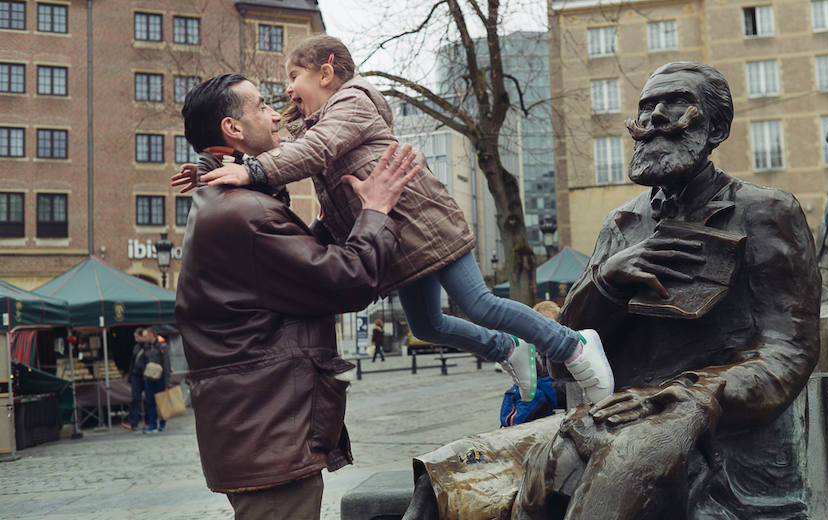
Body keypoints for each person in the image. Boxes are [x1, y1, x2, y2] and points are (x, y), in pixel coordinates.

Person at [402, 62, 821, 520]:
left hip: (712, 429)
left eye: (676, 103)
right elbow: (560, 359)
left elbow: (788, 352)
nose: (656, 116)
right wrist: (606, 282)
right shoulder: (624, 223)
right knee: (445, 476)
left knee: (617, 473)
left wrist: (696, 398)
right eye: (647, 107)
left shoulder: (765, 211)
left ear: (716, 126)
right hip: (609, 417)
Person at [172, 34, 613, 405]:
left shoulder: (354, 103)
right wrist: (213, 164)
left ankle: (572, 345)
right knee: (426, 325)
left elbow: (313, 150)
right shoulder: (313, 121)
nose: (287, 91)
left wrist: (251, 170)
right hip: (398, 240)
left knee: (479, 303)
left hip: (425, 224)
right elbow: (272, 141)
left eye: (292, 78)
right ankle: (508, 348)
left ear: (325, 73)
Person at [175, 73, 421, 520]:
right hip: (269, 438)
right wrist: (376, 210)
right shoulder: (246, 212)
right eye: (261, 106)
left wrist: (328, 222)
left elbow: (291, 281)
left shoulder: (232, 204)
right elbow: (348, 280)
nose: (275, 115)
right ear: (233, 129)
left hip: (262, 433)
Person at [140, 327, 171, 434]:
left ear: (151, 335)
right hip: (149, 378)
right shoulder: (146, 347)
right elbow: (143, 363)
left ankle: (162, 423)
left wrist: (167, 381)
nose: (143, 338)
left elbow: (167, 364)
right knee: (150, 401)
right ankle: (152, 424)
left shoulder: (162, 345)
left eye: (144, 336)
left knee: (161, 401)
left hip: (160, 378)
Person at [122, 327, 146, 431]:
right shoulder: (136, 347)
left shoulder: (148, 346)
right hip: (136, 375)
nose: (135, 338)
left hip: (145, 375)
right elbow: (132, 361)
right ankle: (133, 422)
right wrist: (129, 373)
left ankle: (149, 422)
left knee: (148, 399)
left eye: (137, 336)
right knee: (135, 398)